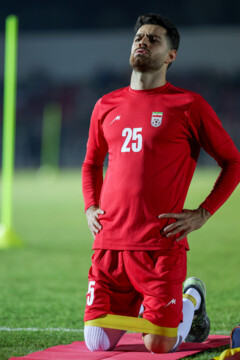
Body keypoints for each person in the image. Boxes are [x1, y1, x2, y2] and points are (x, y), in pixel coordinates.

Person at [82, 13, 240, 353]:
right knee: (96, 344)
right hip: (110, 244)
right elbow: (92, 163)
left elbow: (233, 162)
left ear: (171, 56)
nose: (143, 41)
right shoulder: (105, 105)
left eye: (154, 39)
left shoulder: (189, 105)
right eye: (139, 36)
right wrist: (90, 205)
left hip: (160, 245)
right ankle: (151, 304)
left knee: (159, 346)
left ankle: (191, 297)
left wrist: (203, 213)